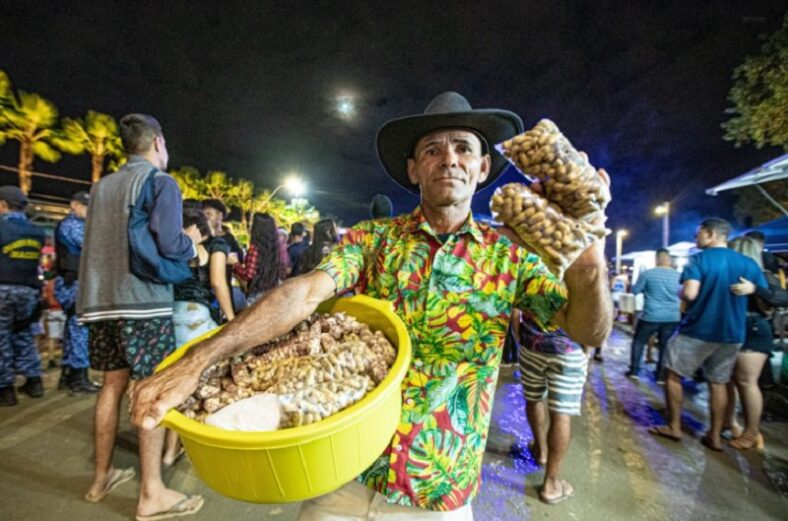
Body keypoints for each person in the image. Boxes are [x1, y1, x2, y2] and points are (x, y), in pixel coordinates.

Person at [131, 92, 613, 519]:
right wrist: (199, 360)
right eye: (432, 149)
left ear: (483, 167)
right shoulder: (373, 240)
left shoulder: (510, 253)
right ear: (413, 168)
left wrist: (590, 266)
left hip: (437, 490)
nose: (449, 159)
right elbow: (305, 292)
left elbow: (589, 332)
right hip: (345, 472)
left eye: (464, 147)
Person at [77, 114, 204, 519]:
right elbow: (168, 241)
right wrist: (193, 244)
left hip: (99, 302)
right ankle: (151, 493)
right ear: (158, 143)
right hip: (143, 303)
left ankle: (102, 478)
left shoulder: (100, 187)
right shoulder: (161, 182)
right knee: (152, 391)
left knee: (111, 387)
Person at [649, 218, 767, 451]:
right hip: (732, 334)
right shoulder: (748, 263)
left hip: (698, 329)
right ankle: (714, 435)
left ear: (711, 234)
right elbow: (764, 294)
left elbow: (690, 294)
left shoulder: (698, 260)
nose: (696, 238)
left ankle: (674, 426)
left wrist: (680, 290)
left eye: (699, 234)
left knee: (672, 374)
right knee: (719, 382)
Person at [516, 313, 589, 504]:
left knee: (533, 399)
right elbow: (592, 315)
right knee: (561, 413)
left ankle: (541, 452)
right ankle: (551, 485)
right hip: (568, 349)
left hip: (531, 345)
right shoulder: (578, 281)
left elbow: (514, 310)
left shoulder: (531, 279)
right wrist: (587, 350)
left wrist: (522, 341)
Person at [724, 236, 788, 451]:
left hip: (753, 329)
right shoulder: (733, 272)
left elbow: (782, 298)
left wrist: (755, 289)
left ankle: (751, 433)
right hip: (735, 329)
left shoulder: (761, 274)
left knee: (746, 382)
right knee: (729, 381)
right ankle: (731, 423)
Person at [0, 186, 46, 406]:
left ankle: (5, 388)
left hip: (3, 290)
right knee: (25, 336)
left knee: (2, 339)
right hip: (28, 292)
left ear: (2, 204)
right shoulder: (37, 231)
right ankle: (34, 380)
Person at [54, 190, 100, 394]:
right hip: (74, 283)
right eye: (86, 206)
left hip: (75, 282)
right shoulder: (73, 225)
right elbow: (94, 247)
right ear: (74, 205)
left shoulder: (80, 225)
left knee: (73, 329)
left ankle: (69, 375)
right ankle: (79, 378)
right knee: (80, 328)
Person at [627, 248, 681, 383]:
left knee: (639, 342)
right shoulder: (679, 276)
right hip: (672, 317)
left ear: (657, 259)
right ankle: (660, 376)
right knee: (665, 346)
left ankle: (634, 371)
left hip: (650, 315)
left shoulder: (648, 274)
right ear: (669, 260)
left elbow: (635, 291)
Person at [233, 212, 287, 304]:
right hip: (274, 289)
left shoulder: (255, 248)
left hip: (258, 291)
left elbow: (249, 274)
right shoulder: (276, 247)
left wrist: (235, 264)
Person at [202, 198, 243, 313]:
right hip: (203, 294)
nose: (205, 217)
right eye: (203, 214)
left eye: (209, 213)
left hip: (224, 292)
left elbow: (237, 261)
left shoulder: (229, 239)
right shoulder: (199, 237)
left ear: (220, 215)